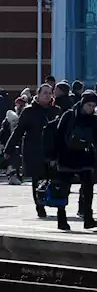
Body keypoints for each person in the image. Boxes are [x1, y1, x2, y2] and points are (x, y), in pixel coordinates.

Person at [4, 83, 60, 217]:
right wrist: (8, 149)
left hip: (52, 150)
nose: (47, 95)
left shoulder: (56, 111)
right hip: (34, 150)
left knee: (55, 178)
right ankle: (40, 206)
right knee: (38, 178)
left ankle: (55, 202)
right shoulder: (29, 111)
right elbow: (18, 131)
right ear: (38, 94)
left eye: (49, 92)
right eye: (44, 92)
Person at [54, 91, 97, 231]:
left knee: (88, 188)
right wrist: (55, 157)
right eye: (89, 105)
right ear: (82, 103)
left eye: (94, 105)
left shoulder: (93, 119)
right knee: (64, 189)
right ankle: (61, 219)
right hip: (67, 157)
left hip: (85, 158)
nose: (91, 108)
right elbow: (58, 136)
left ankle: (88, 218)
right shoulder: (69, 115)